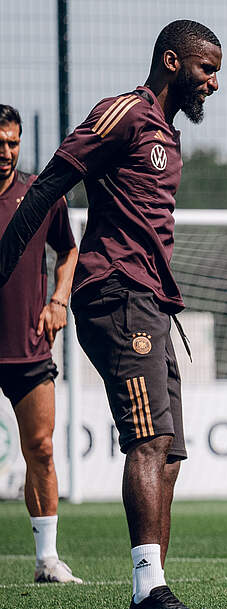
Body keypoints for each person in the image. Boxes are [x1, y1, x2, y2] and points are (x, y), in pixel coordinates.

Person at [0, 20, 225, 609]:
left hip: (152, 301)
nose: (212, 83)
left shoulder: (169, 136)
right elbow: (46, 186)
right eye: (206, 70)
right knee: (148, 440)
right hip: (116, 293)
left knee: (170, 450)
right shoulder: (122, 112)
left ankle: (154, 595)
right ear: (172, 61)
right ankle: (147, 593)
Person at [0, 105, 82, 584]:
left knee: (42, 450)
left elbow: (68, 249)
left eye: (13, 143)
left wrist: (59, 298)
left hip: (29, 349)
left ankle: (47, 559)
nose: (6, 153)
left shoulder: (38, 195)